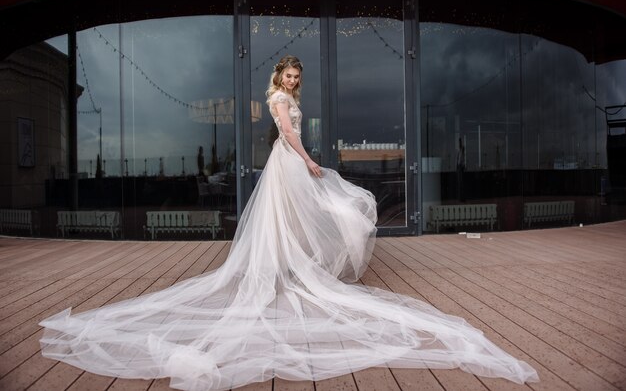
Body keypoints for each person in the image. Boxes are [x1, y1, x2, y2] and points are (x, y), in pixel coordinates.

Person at [39, 55, 538, 391]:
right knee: (305, 212)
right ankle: (289, 271)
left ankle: (293, 269)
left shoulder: (288, 99)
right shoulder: (279, 103)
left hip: (291, 162)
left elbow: (290, 133)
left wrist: (306, 158)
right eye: (289, 76)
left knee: (306, 218)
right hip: (289, 163)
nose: (293, 83)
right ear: (279, 77)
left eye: (298, 78)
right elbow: (287, 135)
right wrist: (309, 161)